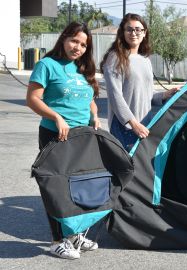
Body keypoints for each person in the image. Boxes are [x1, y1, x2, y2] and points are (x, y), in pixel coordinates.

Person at [26, 22, 100, 260]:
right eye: (74, 41)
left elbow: (88, 97)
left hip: (81, 137)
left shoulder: (81, 69)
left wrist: (95, 115)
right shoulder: (46, 65)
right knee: (56, 189)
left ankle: (75, 235)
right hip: (55, 135)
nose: (77, 47)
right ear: (63, 39)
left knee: (79, 188)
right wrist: (56, 116)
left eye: (83, 44)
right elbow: (33, 99)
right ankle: (58, 240)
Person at [100, 13, 179, 151]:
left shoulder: (145, 61)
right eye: (129, 29)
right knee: (128, 170)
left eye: (138, 29)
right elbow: (115, 96)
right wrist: (133, 124)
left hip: (145, 124)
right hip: (124, 127)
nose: (134, 33)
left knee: (142, 170)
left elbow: (147, 94)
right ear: (122, 33)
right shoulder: (115, 58)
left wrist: (165, 95)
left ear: (144, 33)